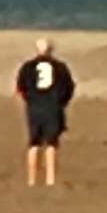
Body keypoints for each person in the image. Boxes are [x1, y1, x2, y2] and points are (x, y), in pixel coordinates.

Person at [14, 39, 76, 188]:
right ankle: (50, 179)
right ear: (51, 50)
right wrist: (61, 102)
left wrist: (30, 100)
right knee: (51, 144)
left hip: (34, 108)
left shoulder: (27, 67)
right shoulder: (60, 67)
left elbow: (20, 88)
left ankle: (31, 179)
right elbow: (69, 88)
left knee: (34, 143)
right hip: (53, 108)